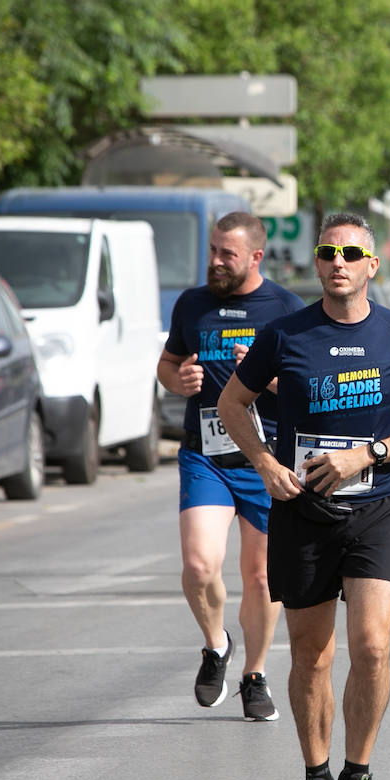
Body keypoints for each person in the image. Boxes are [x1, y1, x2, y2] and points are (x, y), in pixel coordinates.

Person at [217, 213, 390, 780]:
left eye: (351, 253)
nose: (338, 262)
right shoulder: (285, 333)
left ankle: (358, 774)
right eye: (328, 252)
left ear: (373, 264)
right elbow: (232, 403)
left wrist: (367, 454)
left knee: (372, 647)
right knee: (312, 655)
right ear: (317, 262)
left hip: (379, 506)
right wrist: (265, 464)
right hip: (303, 511)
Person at [157, 211, 304, 721]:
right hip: (206, 455)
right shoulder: (192, 304)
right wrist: (177, 381)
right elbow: (168, 364)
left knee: (261, 578)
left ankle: (255, 675)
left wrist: (266, 379)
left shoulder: (285, 309)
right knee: (200, 566)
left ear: (256, 257)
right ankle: (217, 644)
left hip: (266, 458)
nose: (216, 261)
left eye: (228, 254)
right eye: (213, 250)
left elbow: (308, 388)